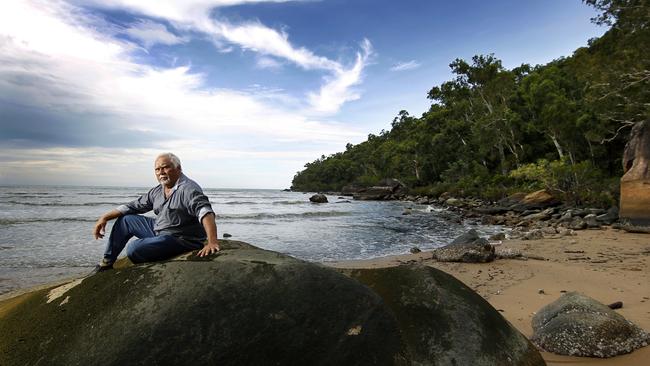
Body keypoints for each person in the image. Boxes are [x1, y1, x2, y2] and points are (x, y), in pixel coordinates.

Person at [92, 153, 219, 271]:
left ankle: (153, 264)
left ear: (178, 168)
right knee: (126, 220)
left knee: (133, 248)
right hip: (160, 230)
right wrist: (104, 217)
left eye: (165, 168)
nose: (161, 173)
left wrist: (212, 242)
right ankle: (107, 263)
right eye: (157, 169)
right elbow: (134, 206)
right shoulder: (158, 190)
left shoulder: (188, 189)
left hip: (180, 238)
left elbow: (205, 212)